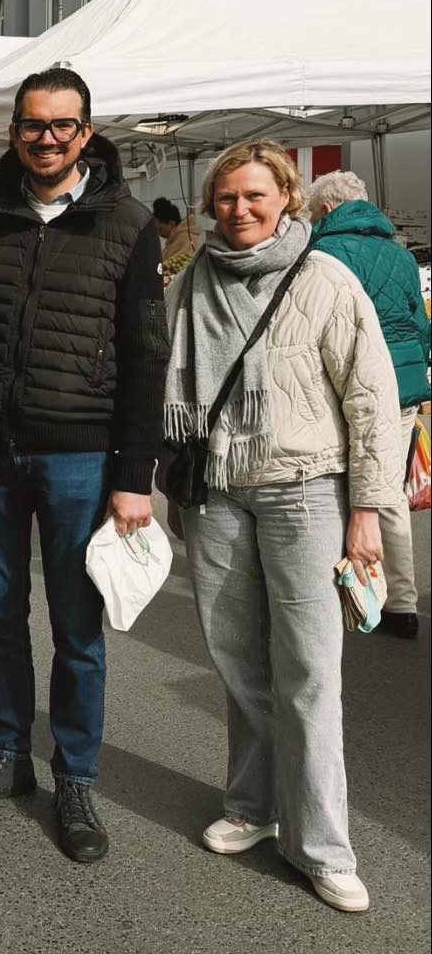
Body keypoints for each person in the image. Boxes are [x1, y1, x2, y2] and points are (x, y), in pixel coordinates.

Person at [0, 67, 168, 865]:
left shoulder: (128, 224)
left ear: (87, 132)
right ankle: (7, 753)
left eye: (63, 125)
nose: (47, 138)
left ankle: (76, 775)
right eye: (33, 125)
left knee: (77, 630)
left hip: (82, 455)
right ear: (13, 133)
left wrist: (134, 476)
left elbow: (147, 355)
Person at [164, 142, 401, 914]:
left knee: (309, 675)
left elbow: (370, 401)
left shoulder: (325, 279)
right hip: (218, 493)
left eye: (254, 196)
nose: (239, 210)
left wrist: (366, 512)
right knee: (237, 663)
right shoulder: (189, 284)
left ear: (288, 200)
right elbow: (162, 383)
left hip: (308, 491)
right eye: (225, 198)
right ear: (209, 205)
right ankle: (252, 806)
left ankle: (324, 846)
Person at [308, 169, 430, 639]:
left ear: (323, 211)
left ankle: (344, 592)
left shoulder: (320, 253)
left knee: (336, 489)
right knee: (388, 493)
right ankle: (402, 603)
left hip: (341, 389)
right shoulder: (401, 257)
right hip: (401, 389)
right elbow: (420, 326)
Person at [153, 197, 203, 267]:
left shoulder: (186, 239)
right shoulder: (176, 240)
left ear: (171, 224)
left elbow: (179, 266)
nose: (159, 233)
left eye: (160, 229)